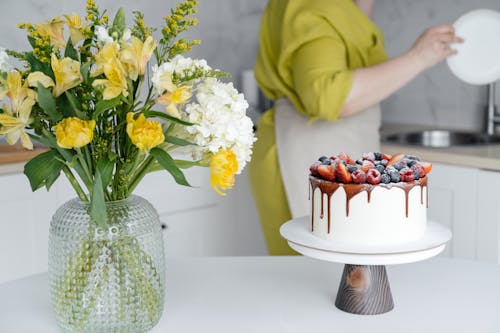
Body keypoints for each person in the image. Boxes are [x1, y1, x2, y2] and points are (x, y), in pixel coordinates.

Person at [248, 0, 462, 255]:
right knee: (313, 278)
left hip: (331, 145)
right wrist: (419, 58)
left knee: (343, 278)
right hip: (303, 150)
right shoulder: (315, 6)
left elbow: (346, 36)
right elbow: (328, 98)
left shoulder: (338, 7)